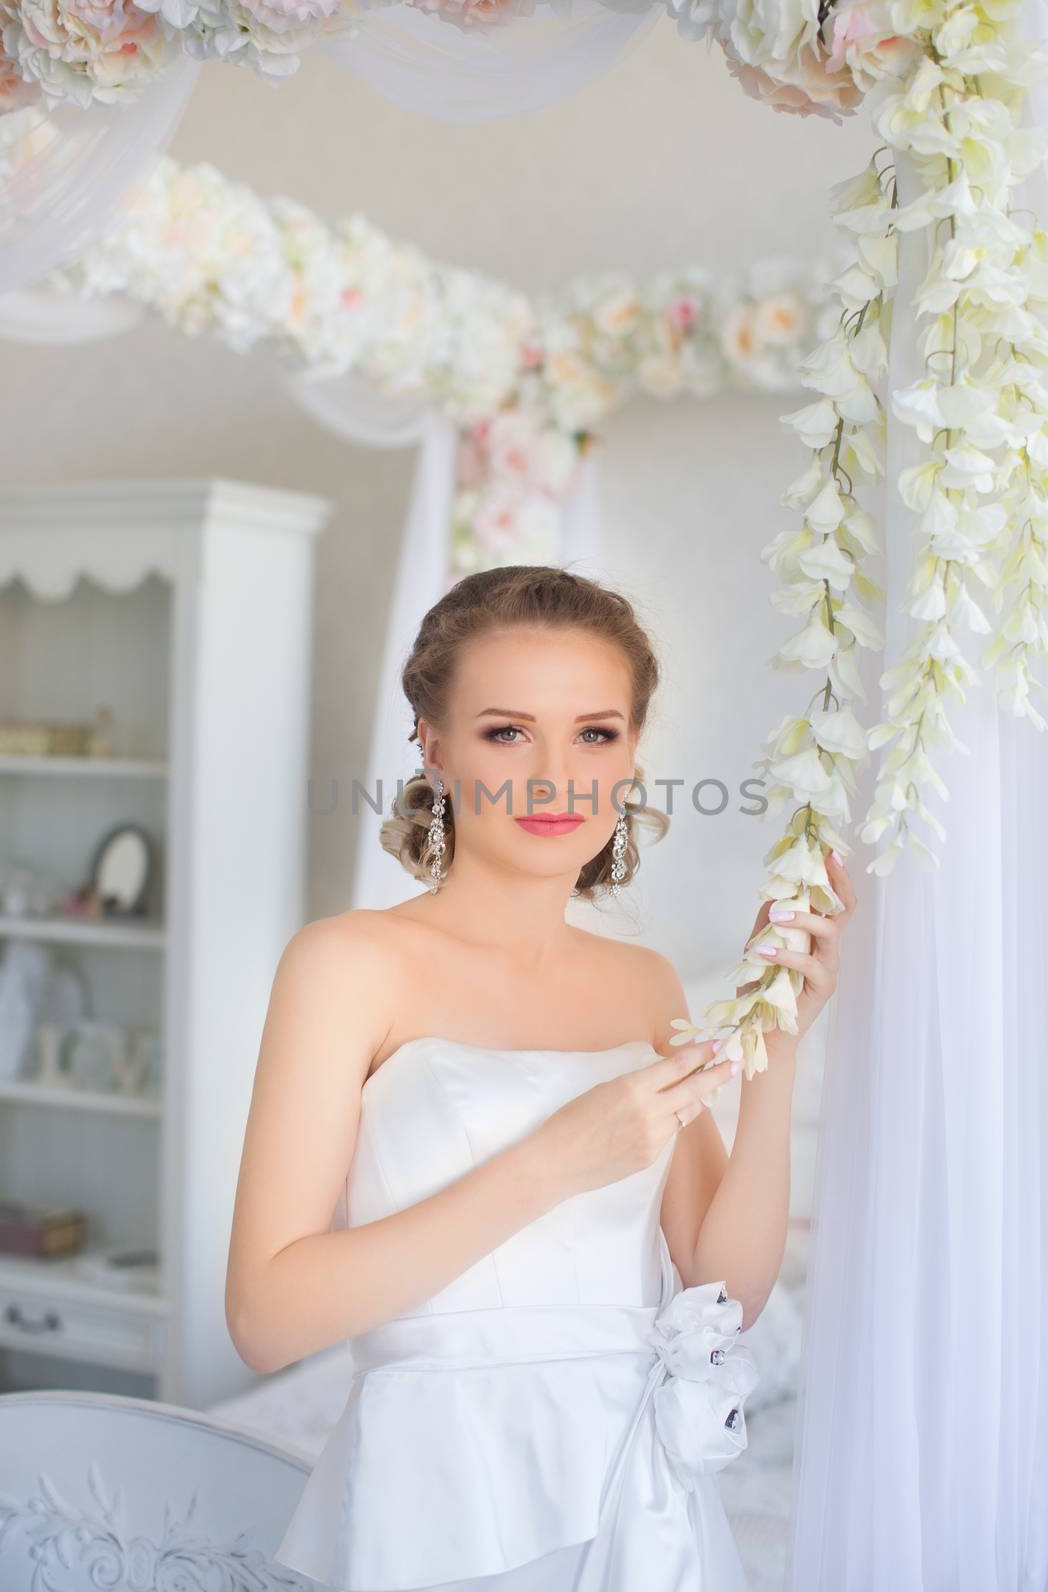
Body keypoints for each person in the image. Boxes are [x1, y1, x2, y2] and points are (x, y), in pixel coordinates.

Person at [225, 564, 855, 1591]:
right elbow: (264, 1318)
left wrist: (771, 1045)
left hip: (639, 1501)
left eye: (594, 733)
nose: (556, 775)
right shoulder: (345, 965)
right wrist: (551, 1163)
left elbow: (722, 1298)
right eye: (507, 731)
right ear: (433, 745)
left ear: (633, 753)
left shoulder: (640, 983)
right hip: (439, 1493)